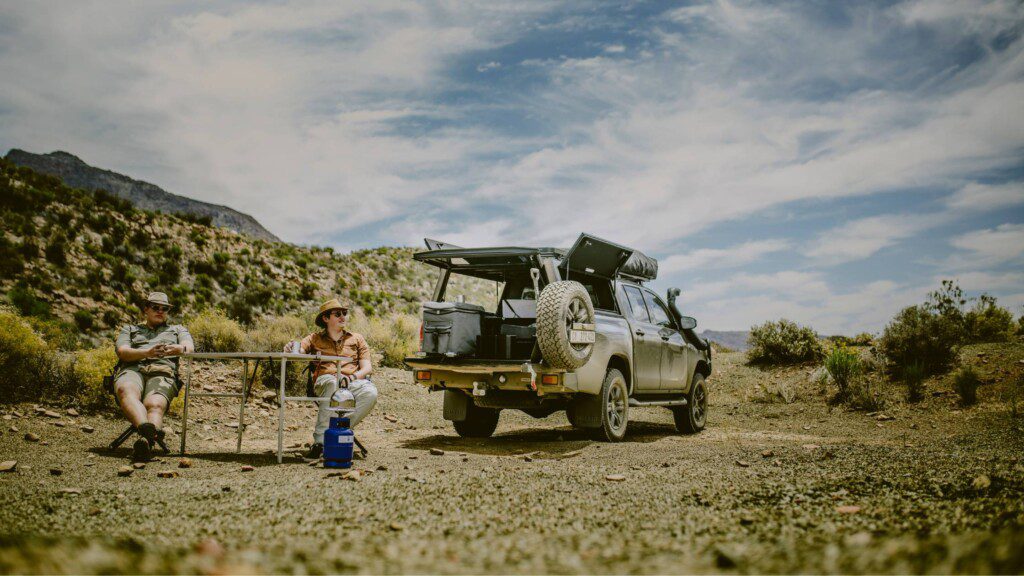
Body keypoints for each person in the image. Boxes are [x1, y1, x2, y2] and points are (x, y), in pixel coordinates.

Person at [288, 298, 377, 460]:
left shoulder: (357, 338)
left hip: (351, 382)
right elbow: (299, 351)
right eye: (338, 314)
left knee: (370, 392)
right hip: (325, 381)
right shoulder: (314, 338)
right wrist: (292, 347)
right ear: (326, 318)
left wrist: (351, 378)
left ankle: (336, 430)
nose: (343, 317)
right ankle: (320, 443)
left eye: (344, 313)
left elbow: (367, 368)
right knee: (331, 383)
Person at [113, 292, 194, 461]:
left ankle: (145, 442)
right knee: (126, 389)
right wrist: (147, 352)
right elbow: (123, 352)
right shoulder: (130, 329)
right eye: (155, 307)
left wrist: (178, 349)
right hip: (133, 369)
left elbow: (189, 348)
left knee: (155, 404)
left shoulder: (178, 330)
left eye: (164, 308)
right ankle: (149, 434)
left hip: (163, 372)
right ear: (146, 309)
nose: (160, 311)